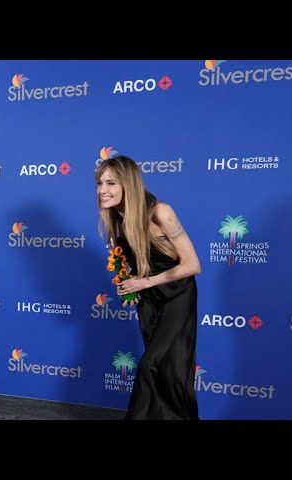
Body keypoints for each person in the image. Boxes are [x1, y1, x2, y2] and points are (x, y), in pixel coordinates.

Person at [95, 155, 201, 420]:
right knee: (166, 373)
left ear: (127, 184)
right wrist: (130, 287)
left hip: (177, 297)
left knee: (154, 366)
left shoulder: (160, 212)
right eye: (99, 183)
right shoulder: (116, 218)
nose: (102, 190)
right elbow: (136, 263)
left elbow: (192, 265)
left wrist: (146, 281)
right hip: (148, 301)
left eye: (110, 183)